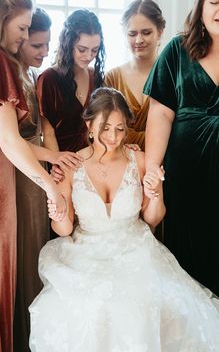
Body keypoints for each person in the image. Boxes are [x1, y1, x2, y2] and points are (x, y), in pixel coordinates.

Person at [29, 87, 219, 352]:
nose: (114, 137)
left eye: (120, 129)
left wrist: (154, 192)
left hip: (136, 248)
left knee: (147, 303)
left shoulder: (140, 160)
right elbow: (63, 230)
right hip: (86, 252)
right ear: (89, 125)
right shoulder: (70, 166)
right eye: (106, 128)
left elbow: (153, 219)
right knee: (84, 308)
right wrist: (58, 213)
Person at [0, 0, 79, 352]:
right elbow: (8, 138)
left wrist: (52, 156)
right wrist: (50, 188)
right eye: (23, 29)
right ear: (1, 17)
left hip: (3, 169)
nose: (25, 37)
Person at [143, 0, 219, 296]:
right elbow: (160, 114)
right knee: (188, 253)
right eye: (213, 2)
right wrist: (152, 167)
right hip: (186, 171)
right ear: (200, 6)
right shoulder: (177, 49)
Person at [13, 8, 58, 352]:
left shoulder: (28, 73)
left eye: (47, 45)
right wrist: (51, 160)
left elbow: (42, 125)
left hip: (37, 169)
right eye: (37, 45)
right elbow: (17, 138)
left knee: (39, 244)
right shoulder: (8, 72)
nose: (44, 53)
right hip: (20, 172)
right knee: (28, 248)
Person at [37, 9, 105, 155]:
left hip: (94, 160)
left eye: (95, 50)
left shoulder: (96, 77)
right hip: (62, 162)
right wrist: (58, 166)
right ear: (68, 44)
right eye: (82, 49)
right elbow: (48, 134)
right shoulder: (49, 79)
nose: (89, 56)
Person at [105, 0, 165, 151]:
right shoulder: (111, 78)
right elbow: (104, 127)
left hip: (166, 163)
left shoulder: (173, 74)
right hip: (121, 162)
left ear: (160, 32)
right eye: (132, 34)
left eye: (146, 32)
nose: (139, 40)